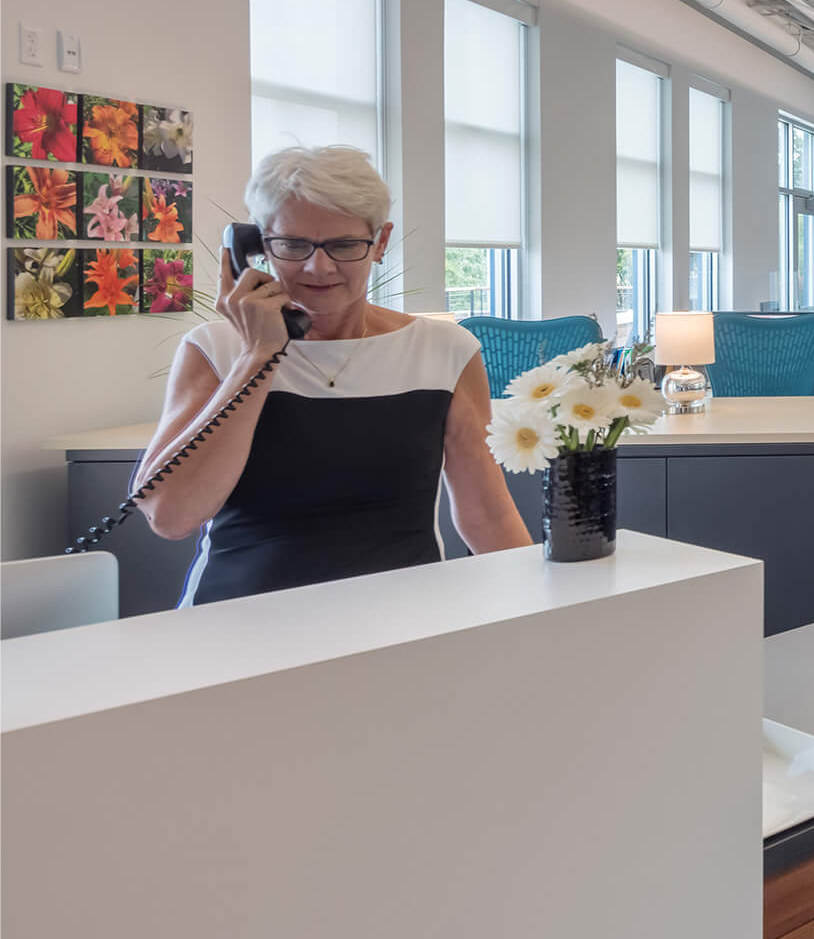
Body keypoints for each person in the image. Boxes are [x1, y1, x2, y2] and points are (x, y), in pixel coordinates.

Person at [135, 146, 530, 603]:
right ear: (257, 246)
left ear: (380, 242)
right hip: (238, 624)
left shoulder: (444, 351)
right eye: (293, 244)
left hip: (404, 621)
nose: (317, 267)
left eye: (343, 245)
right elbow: (170, 516)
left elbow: (486, 515)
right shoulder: (214, 350)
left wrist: (537, 609)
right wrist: (258, 355)